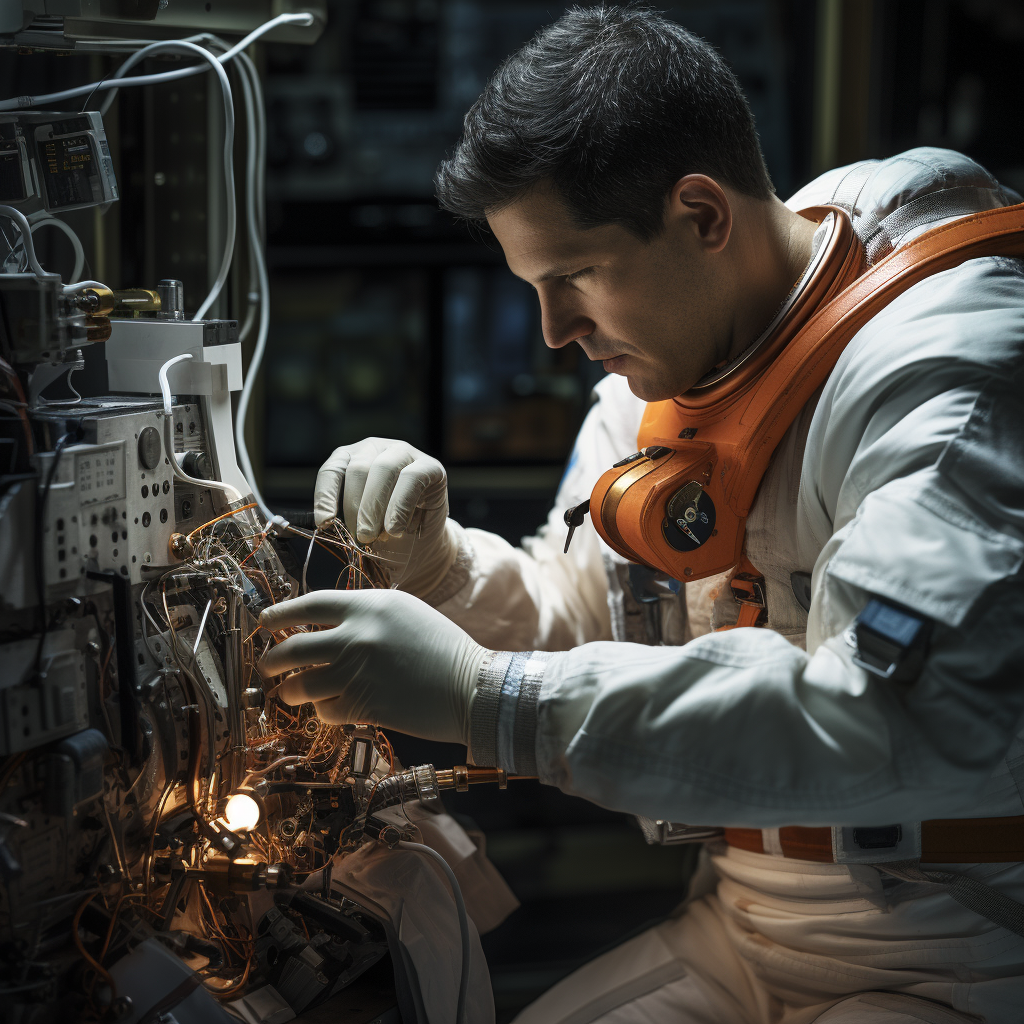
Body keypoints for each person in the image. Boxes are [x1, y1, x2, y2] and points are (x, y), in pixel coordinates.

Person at [259, 7, 1024, 1022]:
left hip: (960, 943)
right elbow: (583, 624)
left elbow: (877, 718)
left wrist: (486, 698)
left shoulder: (946, 377)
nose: (554, 331)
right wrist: (439, 567)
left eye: (572, 276)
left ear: (701, 216)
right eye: (533, 286)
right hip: (746, 922)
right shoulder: (666, 370)